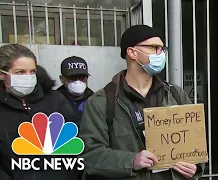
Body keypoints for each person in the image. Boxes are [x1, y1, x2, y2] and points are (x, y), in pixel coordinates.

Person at [78, 25, 205, 180]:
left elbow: (195, 144)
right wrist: (131, 161)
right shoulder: (101, 102)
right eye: (154, 48)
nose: (161, 54)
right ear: (132, 52)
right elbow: (91, 155)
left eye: (162, 49)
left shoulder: (176, 95)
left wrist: (196, 166)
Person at [0, 44, 82, 180]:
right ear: (2, 75)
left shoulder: (55, 100)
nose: (28, 77)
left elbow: (77, 141)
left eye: (32, 71)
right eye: (20, 72)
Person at [57, 56, 93, 127]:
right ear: (62, 79)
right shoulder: (54, 101)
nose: (78, 82)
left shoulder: (94, 101)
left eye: (82, 77)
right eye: (72, 78)